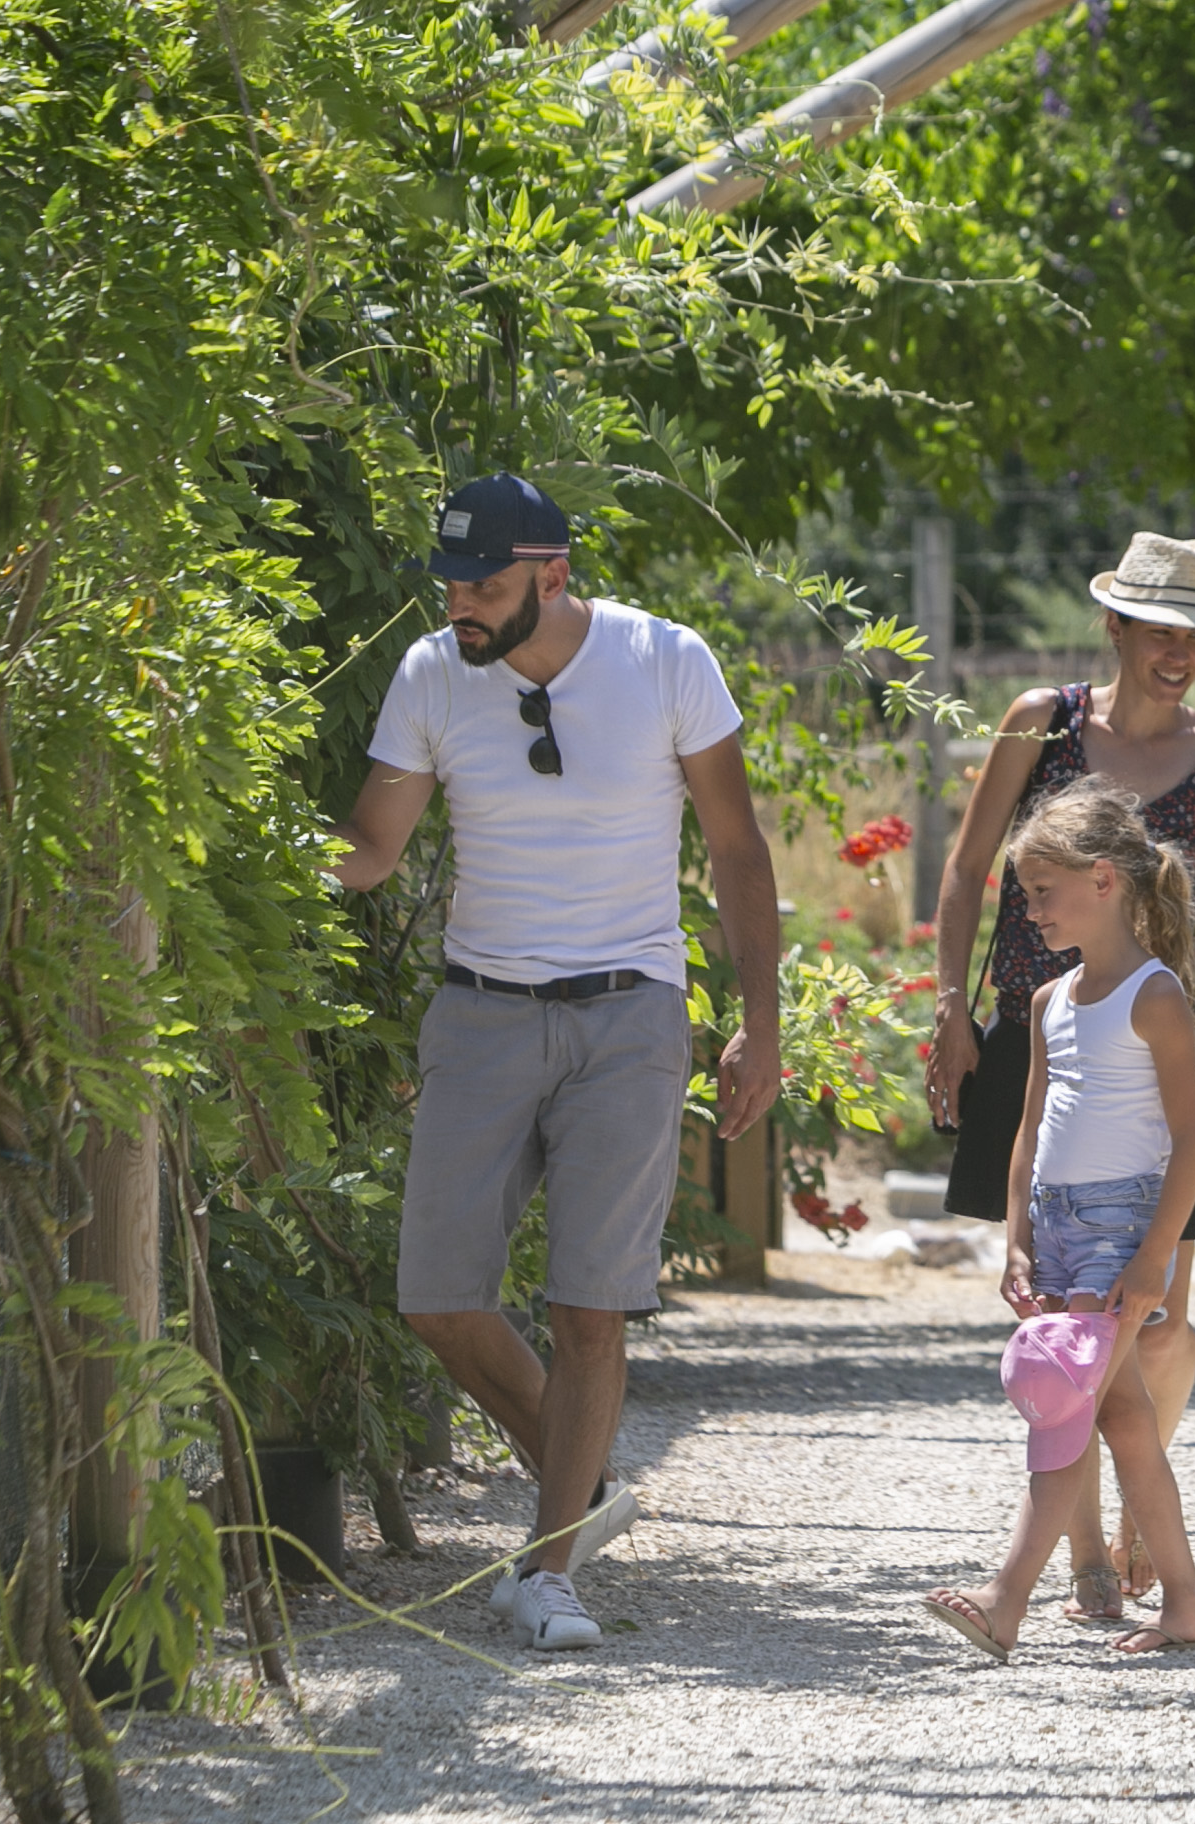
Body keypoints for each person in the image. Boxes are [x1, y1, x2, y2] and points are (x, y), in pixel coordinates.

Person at [329, 471, 783, 1654]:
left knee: (591, 1307)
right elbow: (372, 851)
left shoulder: (665, 660)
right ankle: (578, 1497)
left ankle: (548, 1574)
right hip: (481, 1011)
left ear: (554, 574)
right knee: (436, 1297)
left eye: (484, 584)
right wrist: (239, 844)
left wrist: (761, 1024)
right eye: (450, 582)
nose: (460, 603)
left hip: (630, 1013)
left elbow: (737, 851)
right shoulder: (435, 672)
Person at [922, 531, 1195, 1619]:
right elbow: (970, 865)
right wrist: (951, 1012)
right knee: (1050, 1320)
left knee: (1156, 1316)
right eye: (1159, 629)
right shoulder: (1043, 721)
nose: (1178, 652)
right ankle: (1074, 1566)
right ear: (1113, 624)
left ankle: (1137, 1527)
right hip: (1040, 1032)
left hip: (1161, 1037)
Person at [923, 782, 1195, 1657]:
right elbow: (1027, 1133)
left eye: (1042, 893)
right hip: (1055, 1230)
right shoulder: (1050, 1001)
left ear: (1104, 881)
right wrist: (1016, 1239)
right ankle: (1188, 1606)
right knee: (1121, 1418)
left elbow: (1192, 1144)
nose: (1030, 911)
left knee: (1060, 1399)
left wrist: (1154, 1256)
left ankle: (1003, 1599)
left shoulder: (1156, 997)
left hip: (1118, 1233)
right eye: (1024, 896)